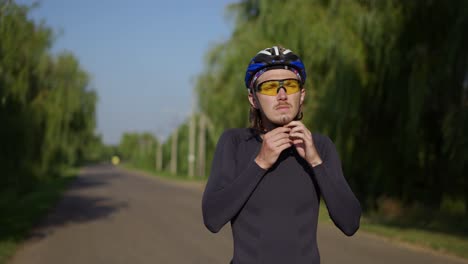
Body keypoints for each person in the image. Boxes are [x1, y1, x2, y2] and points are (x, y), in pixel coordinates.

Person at [202, 45, 361, 264]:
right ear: (253, 99)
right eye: (269, 87)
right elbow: (212, 218)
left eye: (290, 85)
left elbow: (350, 222)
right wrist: (260, 163)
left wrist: (315, 162)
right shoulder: (235, 143)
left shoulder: (320, 147)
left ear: (302, 94)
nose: (282, 95)